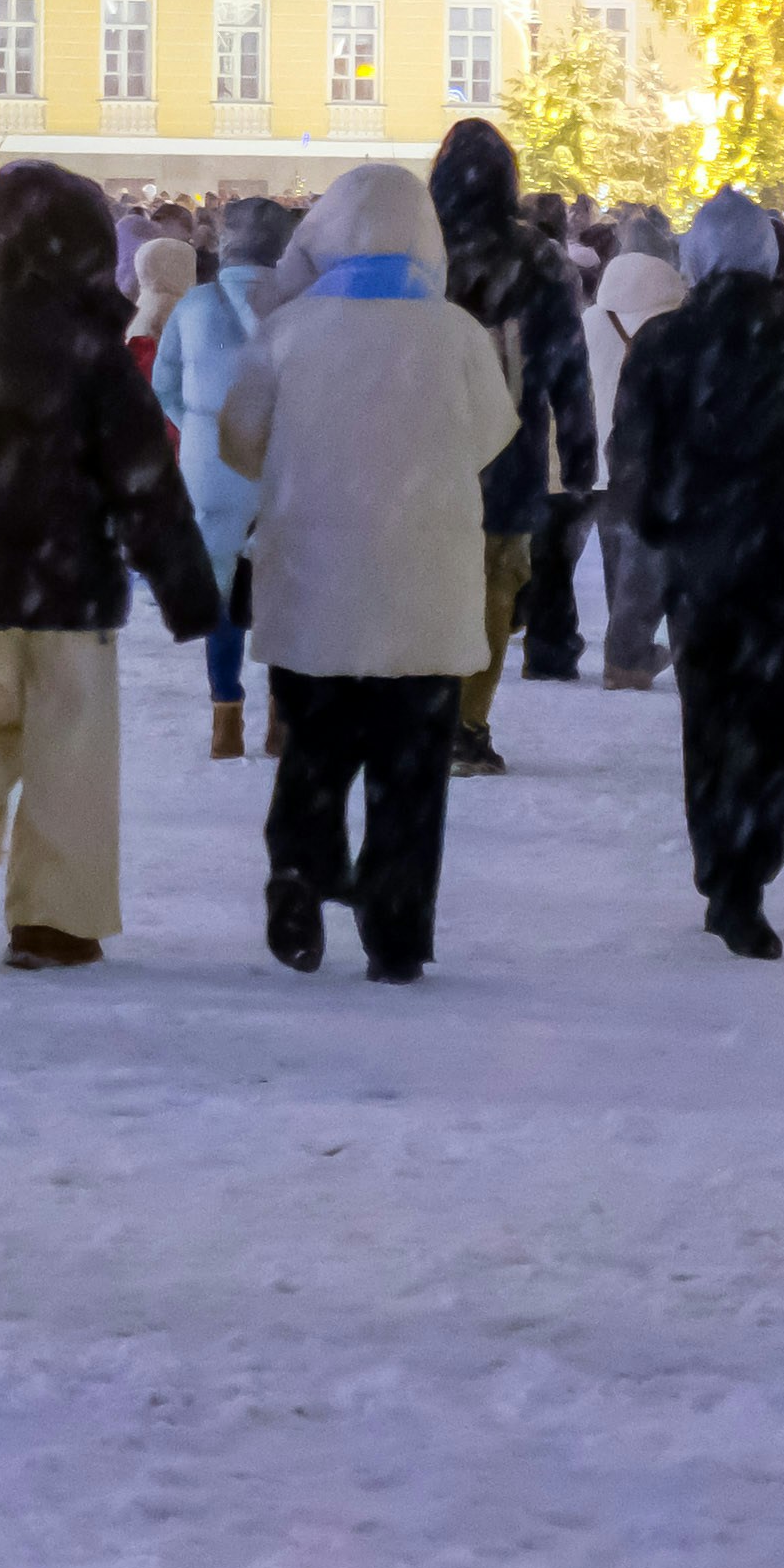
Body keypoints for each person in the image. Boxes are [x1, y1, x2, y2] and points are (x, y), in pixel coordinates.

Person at [0, 162, 217, 973]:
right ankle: (53, 920)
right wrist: (186, 589)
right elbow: (143, 484)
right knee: (70, 747)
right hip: (71, 583)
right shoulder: (92, 354)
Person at [216, 163, 513, 982]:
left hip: (315, 579)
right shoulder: (454, 333)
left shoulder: (289, 330)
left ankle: (300, 872)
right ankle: (396, 931)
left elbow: (238, 440)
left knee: (315, 749)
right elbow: (492, 434)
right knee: (411, 770)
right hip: (422, 584)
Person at [608, 191, 784, 958]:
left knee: (710, 721)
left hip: (703, 567)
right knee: (775, 726)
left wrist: (663, 527)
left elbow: (633, 455)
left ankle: (723, 868)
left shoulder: (665, 342)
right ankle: (748, 863)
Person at [429, 120, 595, 762]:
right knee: (498, 577)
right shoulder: (538, 255)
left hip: (422, 436)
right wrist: (578, 448)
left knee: (425, 571)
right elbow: (566, 361)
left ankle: (424, 706)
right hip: (509, 439)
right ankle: (468, 723)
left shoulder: (417, 246)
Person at [151, 195, 290, 759]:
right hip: (285, 458)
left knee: (222, 591)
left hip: (210, 465)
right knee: (284, 590)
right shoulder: (299, 304)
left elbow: (162, 383)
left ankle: (225, 719)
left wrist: (201, 426)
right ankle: (282, 719)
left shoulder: (195, 305)